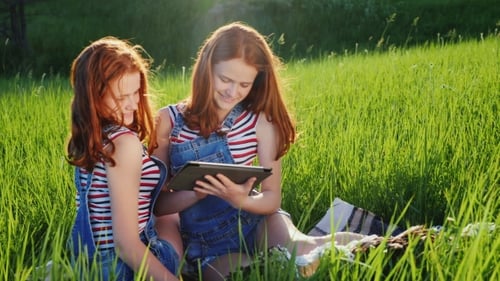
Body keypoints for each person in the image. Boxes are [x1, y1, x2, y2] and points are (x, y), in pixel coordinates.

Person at [153, 22, 364, 280]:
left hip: (259, 222)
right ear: (206, 68)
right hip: (208, 245)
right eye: (225, 80)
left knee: (306, 252)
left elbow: (271, 197)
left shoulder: (260, 121)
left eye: (245, 84)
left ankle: (389, 244)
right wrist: (196, 194)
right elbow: (157, 204)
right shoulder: (168, 121)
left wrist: (240, 199)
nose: (233, 92)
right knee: (252, 273)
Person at [66, 36, 180, 281]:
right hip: (121, 268)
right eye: (120, 98)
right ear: (93, 98)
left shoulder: (91, 140)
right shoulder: (124, 143)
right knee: (170, 216)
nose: (132, 104)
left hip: (89, 260)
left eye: (136, 92)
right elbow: (126, 244)